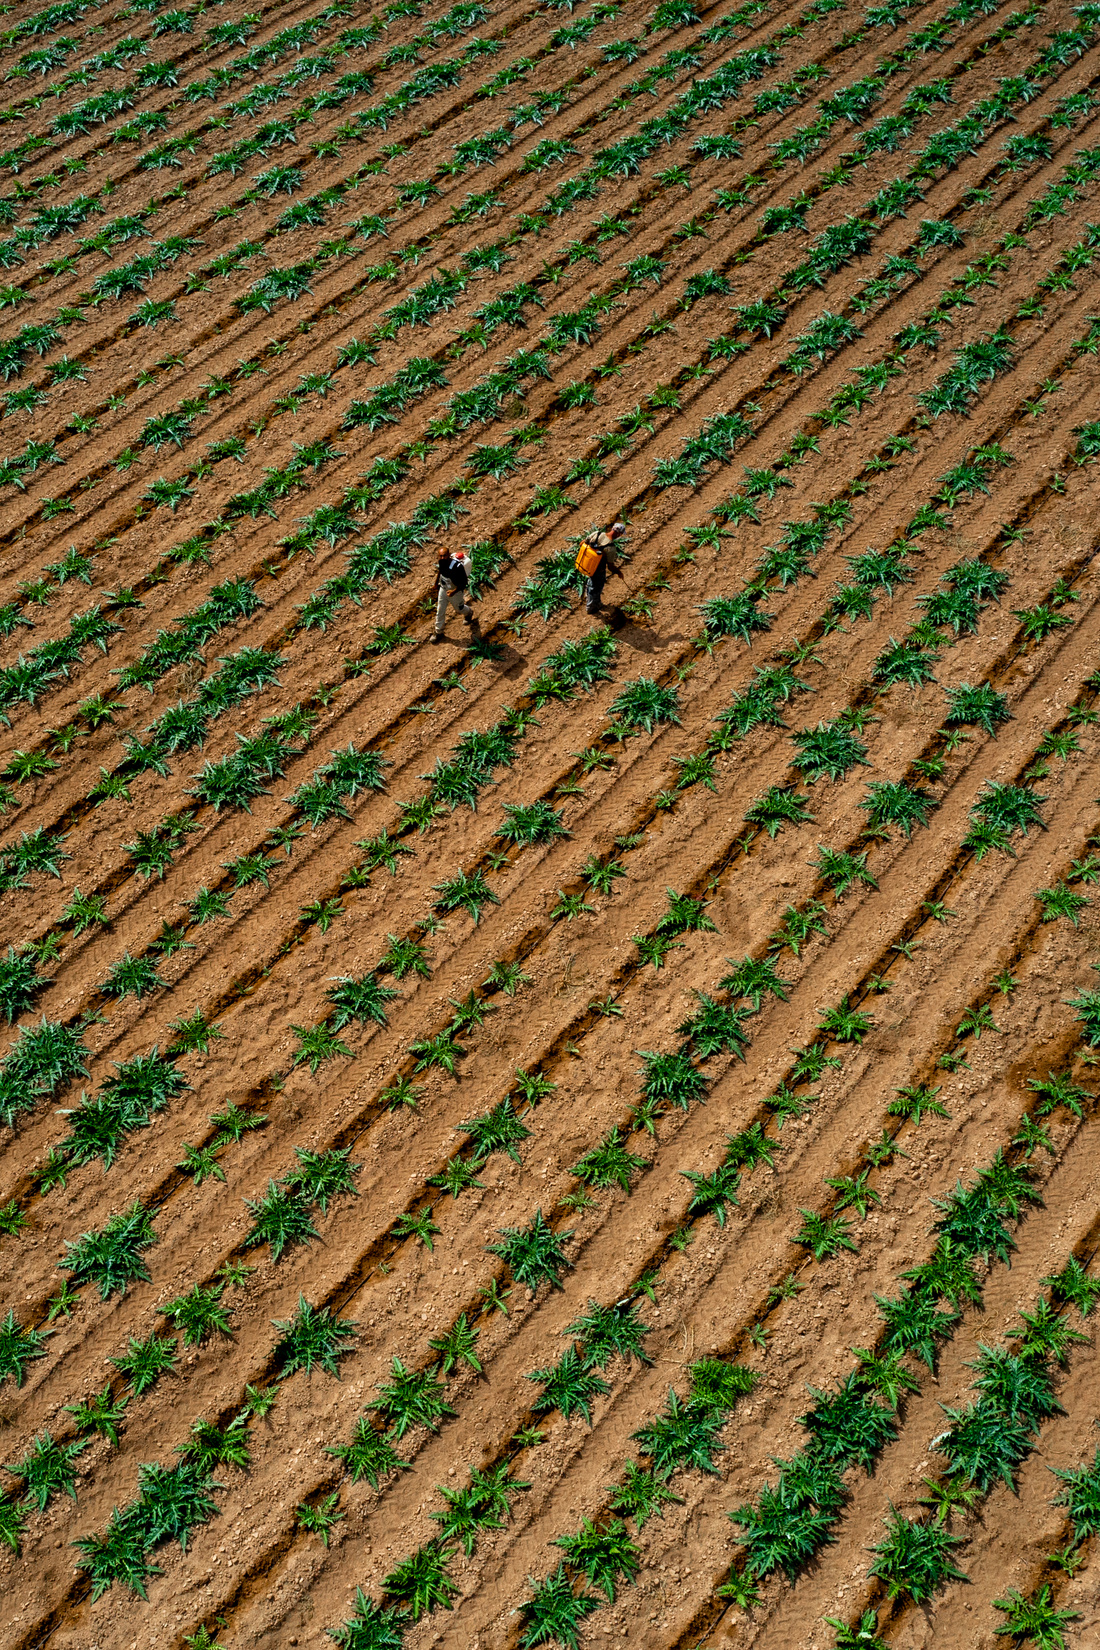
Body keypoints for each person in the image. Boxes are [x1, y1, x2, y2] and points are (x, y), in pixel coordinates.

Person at [579, 520, 626, 615]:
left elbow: (582, 543)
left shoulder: (597, 534)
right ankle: (591, 607)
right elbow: (610, 567)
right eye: (621, 534)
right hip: (598, 570)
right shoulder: (611, 548)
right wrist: (618, 572)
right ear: (618, 534)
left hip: (586, 563)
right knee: (596, 587)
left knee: (591, 583)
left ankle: (596, 602)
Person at [431, 544, 475, 643]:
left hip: (455, 591)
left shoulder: (457, 567)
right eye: (440, 556)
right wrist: (436, 584)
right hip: (443, 589)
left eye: (444, 555)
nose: (442, 558)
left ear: (449, 555)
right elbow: (440, 572)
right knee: (440, 611)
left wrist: (453, 591)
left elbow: (464, 583)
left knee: (459, 609)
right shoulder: (441, 562)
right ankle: (438, 632)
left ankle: (468, 612)